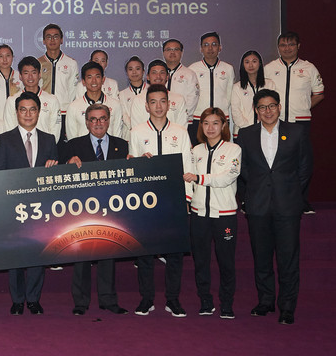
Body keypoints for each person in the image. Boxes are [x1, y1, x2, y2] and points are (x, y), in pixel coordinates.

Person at [236, 89, 312, 325]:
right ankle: (266, 301)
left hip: (287, 206)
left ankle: (287, 307)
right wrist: (255, 192)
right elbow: (244, 169)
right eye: (262, 107)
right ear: (256, 111)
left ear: (279, 107)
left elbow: (305, 168)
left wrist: (289, 192)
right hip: (258, 206)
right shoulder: (246, 135)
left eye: (271, 106)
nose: (267, 111)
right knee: (262, 257)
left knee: (288, 258)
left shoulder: (297, 132)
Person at [128, 84, 194, 317]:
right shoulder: (136, 132)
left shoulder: (181, 132)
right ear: (146, 106)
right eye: (153, 102)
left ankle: (172, 300)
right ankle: (146, 299)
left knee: (174, 254)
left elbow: (188, 167)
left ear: (169, 104)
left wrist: (186, 199)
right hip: (145, 204)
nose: (158, 106)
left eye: (162, 101)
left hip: (173, 202)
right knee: (145, 254)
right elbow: (131, 169)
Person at [0, 91, 59, 315]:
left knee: (38, 254)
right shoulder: (4, 139)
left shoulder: (50, 139)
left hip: (42, 209)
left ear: (39, 112)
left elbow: (56, 177)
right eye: (23, 109)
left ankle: (33, 298)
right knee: (15, 254)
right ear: (17, 112)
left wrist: (54, 168)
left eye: (32, 109)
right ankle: (17, 299)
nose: (28, 114)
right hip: (13, 206)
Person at [61, 103, 128, 316]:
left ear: (109, 120)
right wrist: (68, 164)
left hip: (111, 209)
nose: (98, 123)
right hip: (82, 210)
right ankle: (80, 302)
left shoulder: (122, 145)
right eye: (93, 119)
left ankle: (108, 300)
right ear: (87, 122)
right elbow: (62, 176)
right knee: (81, 259)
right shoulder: (73, 145)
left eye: (102, 118)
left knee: (108, 256)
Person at [183, 108, 241, 319]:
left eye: (215, 123)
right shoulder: (195, 151)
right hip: (199, 215)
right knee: (201, 261)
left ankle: (227, 303)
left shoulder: (234, 150)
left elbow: (227, 177)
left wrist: (200, 178)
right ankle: (205, 301)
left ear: (224, 126)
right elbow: (186, 180)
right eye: (206, 123)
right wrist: (188, 200)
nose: (210, 128)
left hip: (224, 215)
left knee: (226, 261)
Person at [263, 32, 323, 214]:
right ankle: (274, 201)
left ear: (298, 46)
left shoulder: (309, 68)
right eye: (283, 45)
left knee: (302, 163)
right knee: (275, 162)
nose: (286, 48)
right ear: (278, 47)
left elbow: (319, 93)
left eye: (290, 44)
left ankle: (301, 201)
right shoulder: (269, 68)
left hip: (300, 122)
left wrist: (304, 107)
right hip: (275, 122)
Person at [188, 32, 235, 144]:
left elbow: (229, 94)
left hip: (221, 118)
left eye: (214, 44)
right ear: (201, 49)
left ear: (220, 48)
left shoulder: (228, 68)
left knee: (220, 154)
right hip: (198, 118)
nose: (210, 48)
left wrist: (221, 110)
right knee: (198, 153)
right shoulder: (193, 69)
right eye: (206, 45)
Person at [3, 57, 61, 142]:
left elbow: (55, 131)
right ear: (20, 76)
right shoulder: (12, 100)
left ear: (39, 74)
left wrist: (46, 148)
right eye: (26, 73)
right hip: (18, 150)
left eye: (34, 72)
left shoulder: (52, 100)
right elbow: (9, 130)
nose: (30, 77)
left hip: (44, 149)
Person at [38, 24, 79, 136]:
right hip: (43, 111)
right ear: (43, 41)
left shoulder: (71, 63)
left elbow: (73, 90)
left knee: (63, 149)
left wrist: (68, 110)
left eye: (56, 36)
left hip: (64, 112)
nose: (52, 40)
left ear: (61, 40)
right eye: (48, 37)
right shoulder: (38, 63)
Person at [66, 62, 122, 140]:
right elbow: (71, 138)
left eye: (97, 77)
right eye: (89, 77)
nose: (94, 81)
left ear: (103, 79)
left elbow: (117, 134)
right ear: (83, 81)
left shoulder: (115, 104)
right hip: (82, 151)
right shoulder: (74, 107)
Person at [128, 60, 188, 129]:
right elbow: (136, 129)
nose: (158, 76)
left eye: (162, 73)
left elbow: (182, 129)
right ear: (148, 77)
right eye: (154, 73)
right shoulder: (138, 100)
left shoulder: (178, 99)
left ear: (167, 76)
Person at [231, 50, 277, 136]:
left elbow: (273, 108)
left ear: (260, 64)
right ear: (242, 65)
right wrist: (249, 129)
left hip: (266, 131)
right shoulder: (237, 87)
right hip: (243, 132)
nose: (251, 65)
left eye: (254, 61)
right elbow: (236, 112)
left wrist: (263, 127)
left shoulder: (269, 84)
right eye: (247, 62)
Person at [162, 39, 200, 128]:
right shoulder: (159, 74)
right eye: (168, 49)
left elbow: (192, 99)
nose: (172, 52)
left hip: (183, 121)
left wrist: (180, 116)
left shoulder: (189, 74)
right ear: (163, 53)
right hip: (160, 121)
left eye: (176, 49)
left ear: (181, 52)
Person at [117, 56, 146, 140]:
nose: (134, 72)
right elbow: (124, 115)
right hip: (129, 135)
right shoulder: (121, 94)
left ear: (143, 71)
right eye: (130, 69)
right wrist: (135, 128)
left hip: (149, 132)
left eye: (137, 68)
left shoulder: (151, 91)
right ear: (126, 72)